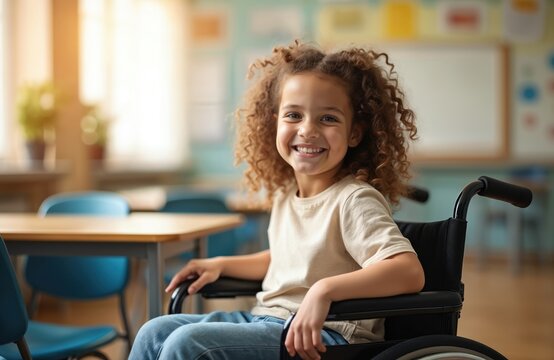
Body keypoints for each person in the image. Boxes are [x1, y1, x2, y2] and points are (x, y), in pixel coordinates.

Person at [129, 40, 424, 360]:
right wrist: (222, 264)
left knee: (188, 343)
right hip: (268, 319)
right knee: (154, 331)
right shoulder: (288, 196)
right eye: (294, 115)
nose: (308, 130)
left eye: (328, 119)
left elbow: (407, 270)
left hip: (327, 334)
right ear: (275, 124)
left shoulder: (354, 199)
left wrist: (324, 291)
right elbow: (288, 259)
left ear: (354, 133)